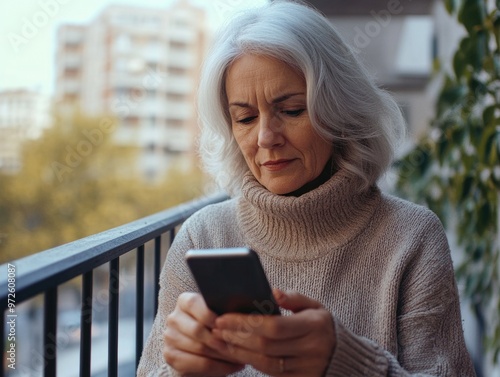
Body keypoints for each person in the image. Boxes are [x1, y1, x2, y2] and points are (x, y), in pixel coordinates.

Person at [137, 1, 476, 376]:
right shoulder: (202, 237)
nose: (266, 137)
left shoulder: (412, 237)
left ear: (340, 109)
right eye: (245, 118)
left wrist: (346, 361)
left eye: (292, 110)